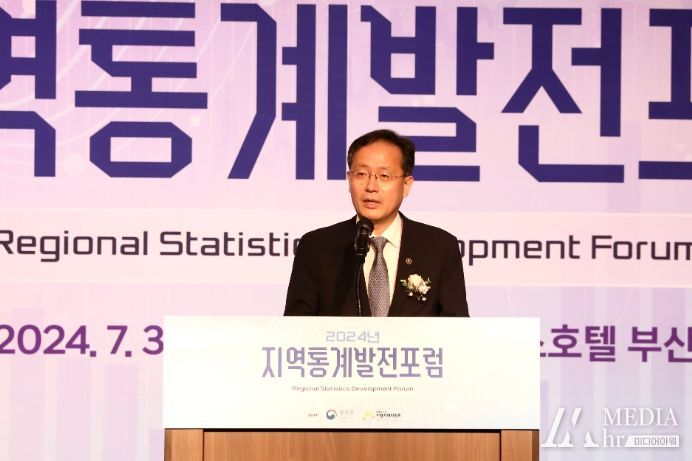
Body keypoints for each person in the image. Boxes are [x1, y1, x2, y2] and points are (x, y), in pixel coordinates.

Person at [284, 129, 469, 316]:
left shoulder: (440, 248)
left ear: (406, 185)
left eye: (384, 176)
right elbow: (296, 327)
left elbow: (457, 329)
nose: (371, 187)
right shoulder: (316, 247)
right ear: (349, 180)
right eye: (361, 174)